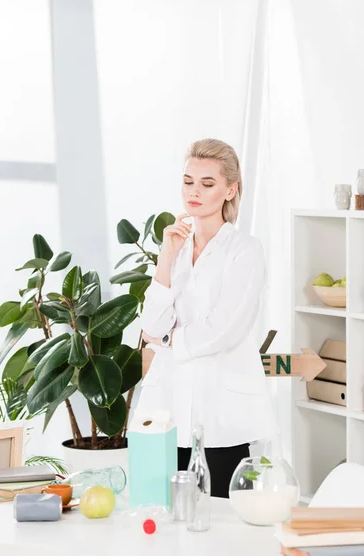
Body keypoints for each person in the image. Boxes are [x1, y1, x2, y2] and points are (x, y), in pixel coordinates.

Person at [137, 138, 275, 498]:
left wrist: (168, 341)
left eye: (207, 184)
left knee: (223, 522)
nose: (193, 192)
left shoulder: (245, 250)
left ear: (231, 190)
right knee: (165, 517)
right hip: (169, 409)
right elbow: (150, 324)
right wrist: (167, 256)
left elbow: (222, 330)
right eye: (188, 182)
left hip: (222, 414)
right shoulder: (176, 248)